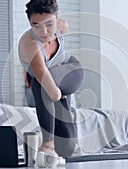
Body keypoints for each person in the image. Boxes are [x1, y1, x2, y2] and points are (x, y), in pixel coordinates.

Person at [18, 0, 84, 158]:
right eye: (36, 25)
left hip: (72, 70)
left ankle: (47, 144)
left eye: (49, 24)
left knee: (40, 84)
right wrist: (58, 92)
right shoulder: (31, 44)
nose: (44, 32)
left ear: (57, 18)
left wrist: (58, 91)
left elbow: (54, 93)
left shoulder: (62, 26)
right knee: (67, 149)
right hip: (55, 84)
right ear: (30, 23)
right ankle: (51, 145)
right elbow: (52, 93)